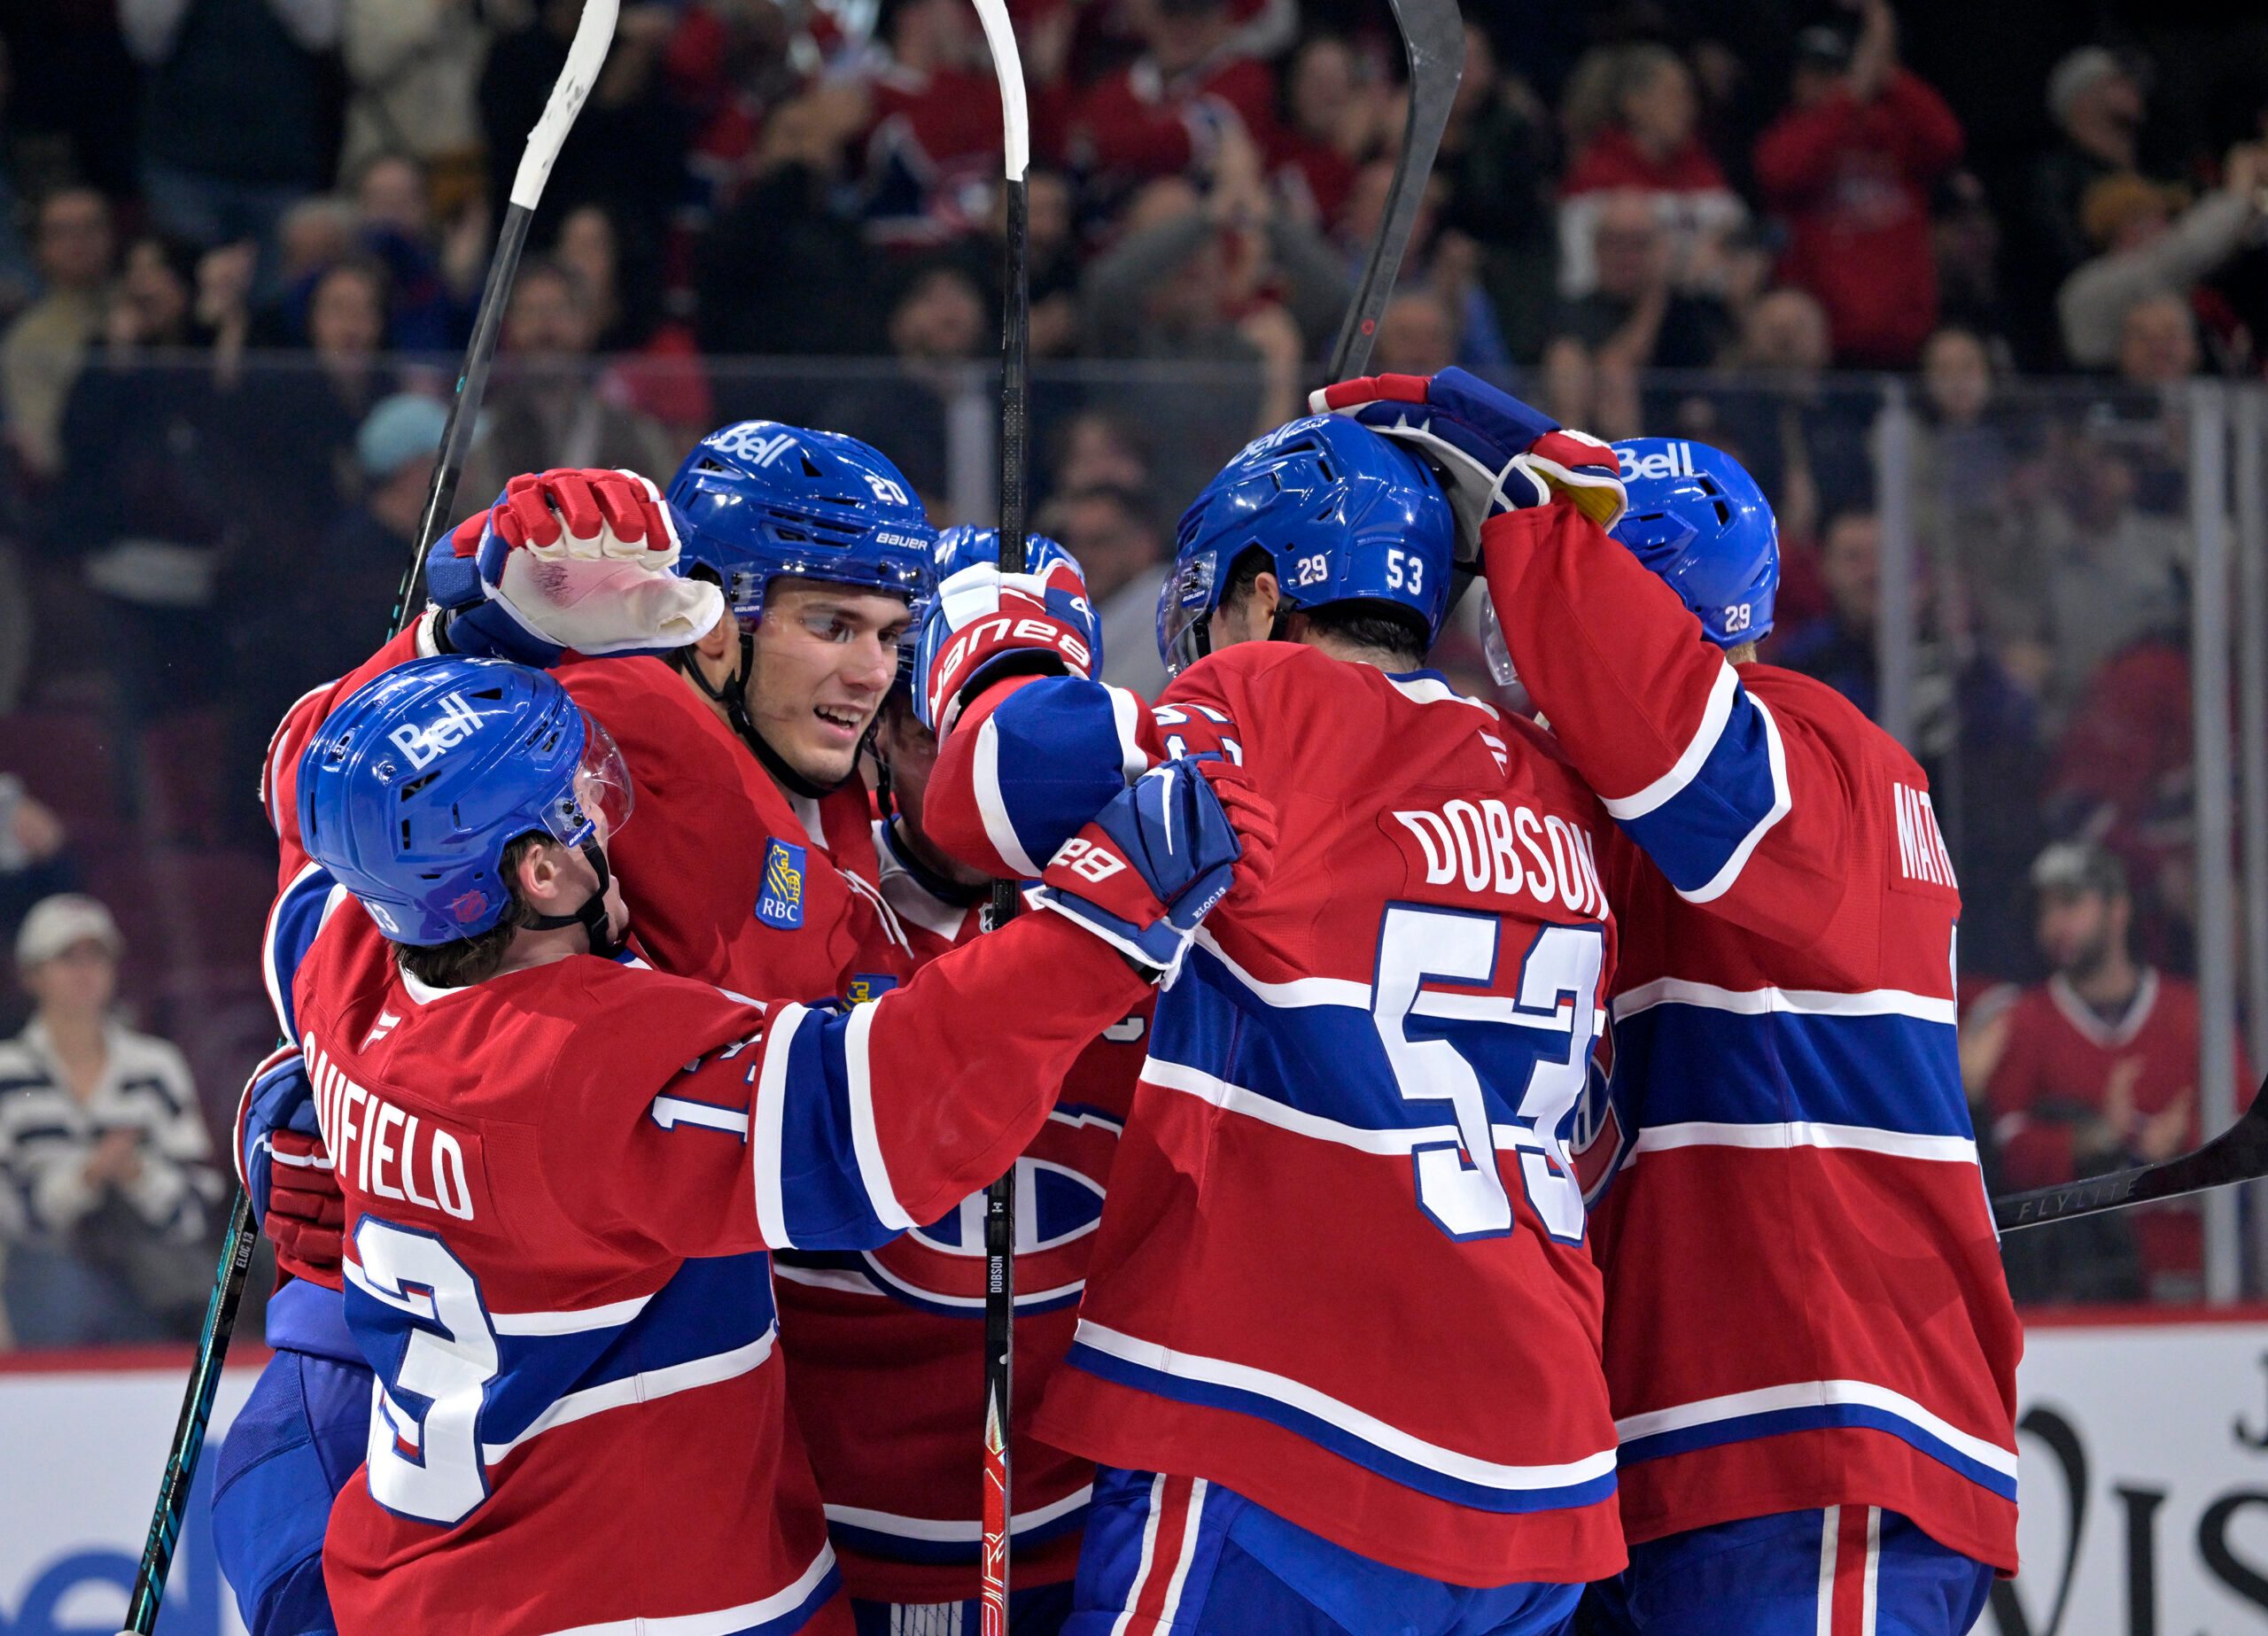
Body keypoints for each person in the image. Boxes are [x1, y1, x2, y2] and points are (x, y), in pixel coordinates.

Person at [270, 644, 1267, 1634]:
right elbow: (881, 1114)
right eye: (581, 805)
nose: (613, 817)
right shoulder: (577, 1062)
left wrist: (453, 636)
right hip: (625, 1601)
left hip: (419, 1581)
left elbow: (314, 803)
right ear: (538, 870)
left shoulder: (346, 970)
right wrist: (1101, 921)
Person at [1321, 368, 2019, 1632]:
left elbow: (1666, 729)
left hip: (1818, 1422)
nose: (1521, 668)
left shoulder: (1818, 763)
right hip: (1672, 1454)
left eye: (1555, 623)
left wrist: (1530, 477)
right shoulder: (1658, 823)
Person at [911, 413, 1627, 1632]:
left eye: (1200, 618)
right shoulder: (1550, 786)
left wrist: (998, 638)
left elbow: (991, 790)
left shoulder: (1274, 697)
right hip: (1541, 1463)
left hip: (1291, 1426)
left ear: (1259, 592)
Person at [780, 527, 1154, 1632]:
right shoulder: (799, 888)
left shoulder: (1159, 892)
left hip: (1085, 1533)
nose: (998, 759)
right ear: (887, 721)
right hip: (826, 1536)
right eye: (953, 724)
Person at [1977, 841, 2253, 1303]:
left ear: (2117, 909)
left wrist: (2187, 1141)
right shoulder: (2026, 1019)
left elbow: (2247, 1127)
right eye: (2044, 911)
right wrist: (2095, 1136)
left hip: (2200, 1274)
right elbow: (2006, 1150)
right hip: (2072, 1284)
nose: (2053, 926)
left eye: (2070, 904)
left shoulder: (2191, 1012)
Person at [0, 894, 222, 1345]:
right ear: (31, 974)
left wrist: (137, 1173)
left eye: (96, 955)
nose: (85, 971)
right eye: (67, 957)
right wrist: (85, 1177)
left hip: (153, 1274)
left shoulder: (156, 1065)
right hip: (43, 1276)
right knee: (56, 1285)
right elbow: (9, 1215)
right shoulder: (7, 1072)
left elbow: (197, 1202)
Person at [1750, 2, 1962, 368]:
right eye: (1811, 72)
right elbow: (1783, 172)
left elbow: (1947, 142)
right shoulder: (1786, 138)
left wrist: (1889, 72)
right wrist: (1848, 102)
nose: (1822, 84)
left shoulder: (1892, 130)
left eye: (1835, 73)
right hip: (1823, 353)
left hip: (1906, 341)